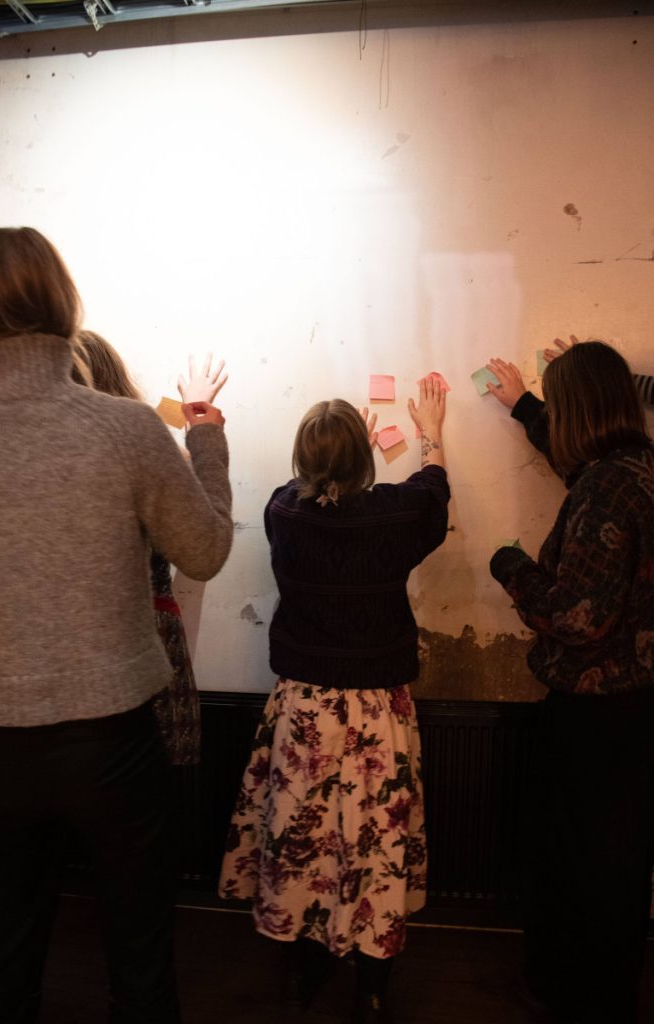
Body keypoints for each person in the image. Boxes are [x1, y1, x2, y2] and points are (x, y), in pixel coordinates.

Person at [0, 226, 233, 1024]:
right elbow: (205, 551)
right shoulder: (124, 428)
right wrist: (207, 443)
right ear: (65, 305)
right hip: (113, 744)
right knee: (140, 959)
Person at [219, 380, 450, 1024]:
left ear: (303, 459)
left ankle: (302, 974)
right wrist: (430, 435)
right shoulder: (397, 515)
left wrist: (340, 462)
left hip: (304, 710)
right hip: (378, 714)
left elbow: (315, 494)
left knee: (302, 842)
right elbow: (433, 494)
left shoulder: (282, 511)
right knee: (377, 848)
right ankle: (371, 989)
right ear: (364, 459)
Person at [488, 341, 654, 1023]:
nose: (551, 419)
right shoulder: (635, 468)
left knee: (580, 863)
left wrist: (510, 567)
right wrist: (524, 406)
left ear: (578, 409)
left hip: (595, 714)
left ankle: (573, 996)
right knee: (617, 862)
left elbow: (577, 616)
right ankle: (603, 993)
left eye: (557, 407)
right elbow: (579, 474)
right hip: (633, 709)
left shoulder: (605, 487)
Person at [74, 332, 227, 766]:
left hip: (73, 646)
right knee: (152, 774)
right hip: (150, 636)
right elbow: (204, 540)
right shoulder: (146, 451)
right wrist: (200, 424)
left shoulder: (50, 461)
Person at [485, 334, 653, 465]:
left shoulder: (604, 481)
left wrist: (524, 405)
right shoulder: (640, 456)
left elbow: (574, 463)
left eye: (554, 410)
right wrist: (597, 376)